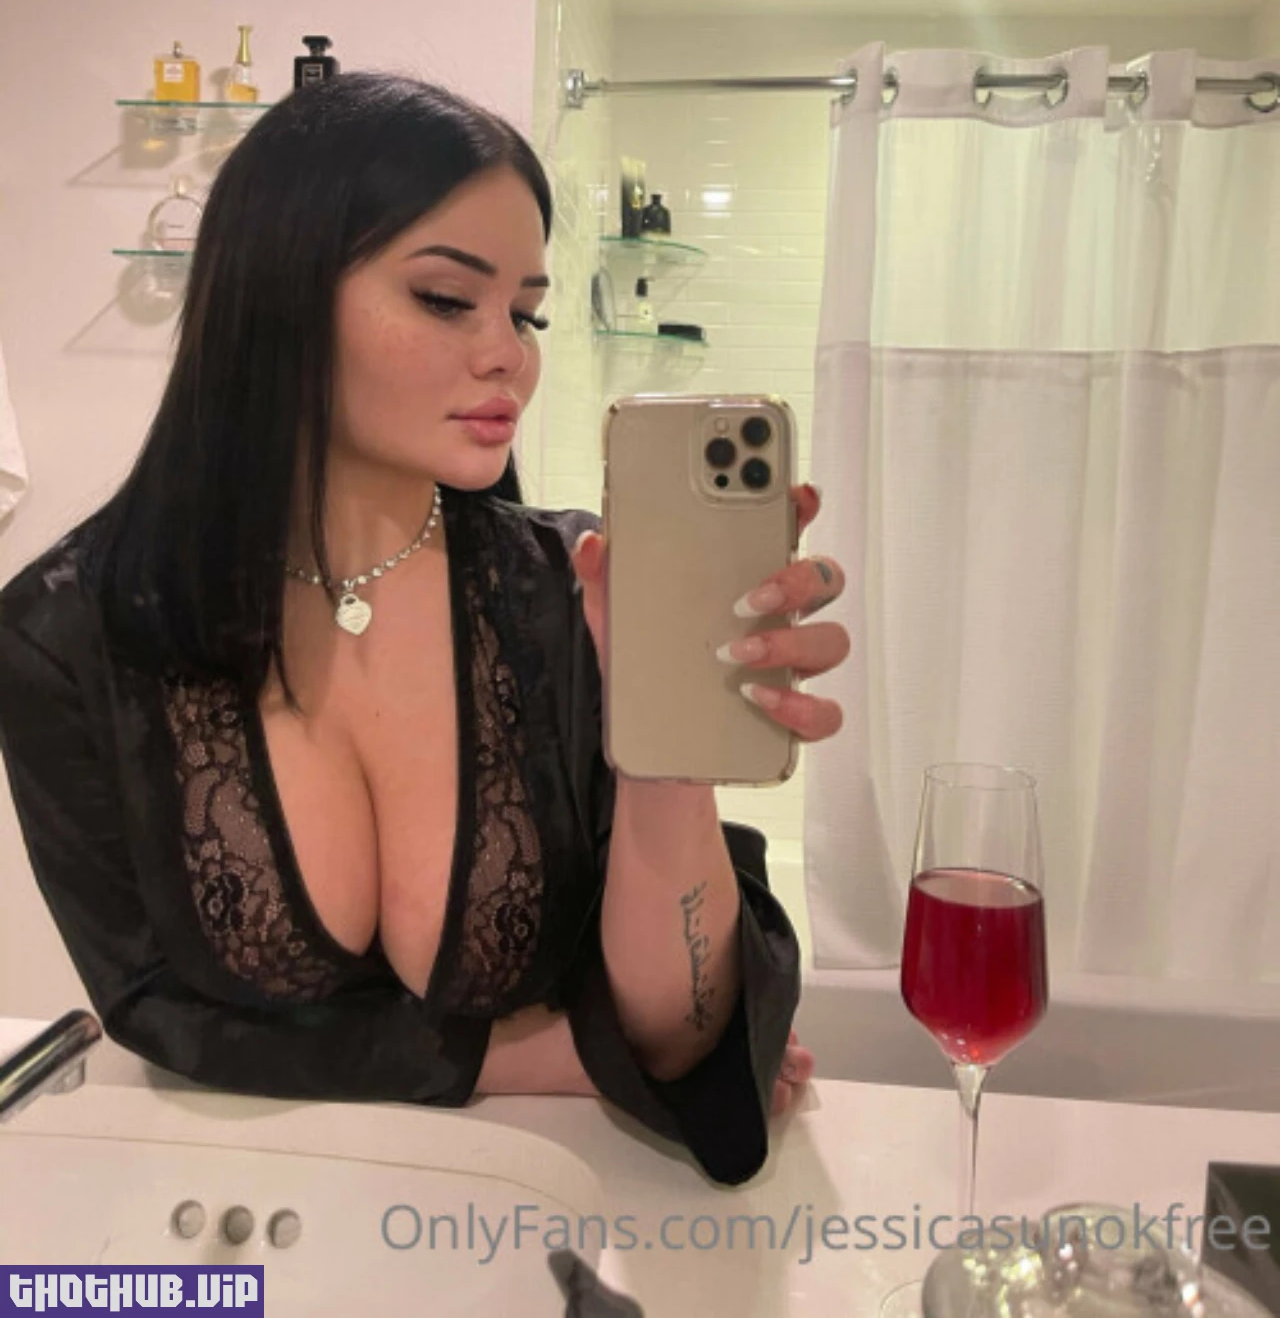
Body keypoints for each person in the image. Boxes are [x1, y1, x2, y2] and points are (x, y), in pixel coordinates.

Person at [0, 74, 849, 1186]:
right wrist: (527, 1056)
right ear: (277, 294)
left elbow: (679, 1037)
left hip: (541, 1207)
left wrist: (664, 752)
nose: (509, 355)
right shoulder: (67, 631)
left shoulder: (570, 590)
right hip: (214, 1205)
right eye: (449, 299)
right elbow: (155, 1005)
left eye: (527, 312)